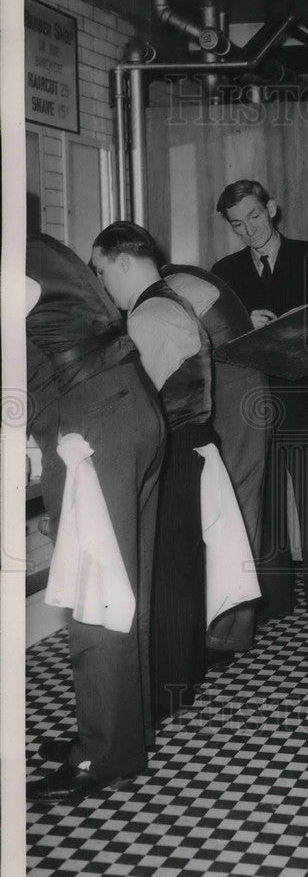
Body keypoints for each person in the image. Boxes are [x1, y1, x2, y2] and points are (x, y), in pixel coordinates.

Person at [91, 222, 259, 722]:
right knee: (180, 569)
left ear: (123, 262)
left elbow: (141, 406)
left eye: (102, 271)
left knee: (166, 572)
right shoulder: (172, 302)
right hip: (194, 444)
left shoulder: (150, 315)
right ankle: (178, 682)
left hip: (174, 448)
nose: (103, 284)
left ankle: (164, 688)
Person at [25, 233, 165, 805]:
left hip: (95, 420)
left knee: (95, 591)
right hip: (133, 403)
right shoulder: (33, 246)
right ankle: (123, 732)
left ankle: (103, 752)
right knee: (127, 586)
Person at [213, 180, 308, 634]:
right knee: (263, 510)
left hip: (307, 402)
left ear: (271, 208)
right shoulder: (224, 272)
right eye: (237, 223)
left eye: (254, 216)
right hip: (251, 410)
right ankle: (274, 599)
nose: (248, 229)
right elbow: (214, 343)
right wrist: (240, 324)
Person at [162, 263, 270, 656]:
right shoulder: (187, 276)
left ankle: (226, 632)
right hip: (243, 388)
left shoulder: (172, 288)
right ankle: (230, 629)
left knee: (234, 515)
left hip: (234, 391)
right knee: (241, 512)